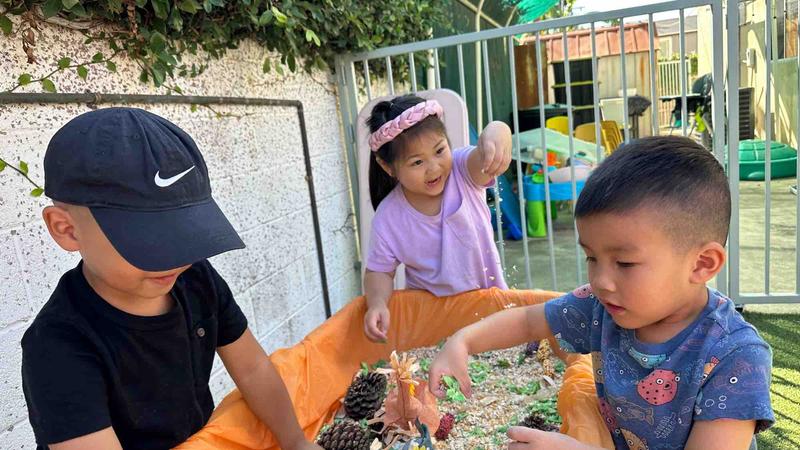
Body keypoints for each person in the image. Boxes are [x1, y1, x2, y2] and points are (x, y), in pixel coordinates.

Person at [429, 136, 774, 450]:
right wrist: (463, 341)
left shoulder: (735, 357)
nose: (601, 280)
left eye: (624, 263)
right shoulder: (601, 307)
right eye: (592, 257)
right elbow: (527, 321)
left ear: (702, 264)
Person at [21, 108, 322, 450]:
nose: (176, 259)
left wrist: (296, 442)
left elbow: (253, 369)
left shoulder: (197, 280)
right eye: (148, 240)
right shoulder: (58, 346)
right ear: (67, 229)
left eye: (183, 234)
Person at [363, 94, 512, 342]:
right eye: (417, 162)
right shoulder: (388, 218)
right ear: (388, 167)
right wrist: (377, 304)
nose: (434, 168)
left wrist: (497, 132)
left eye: (440, 150)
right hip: (433, 326)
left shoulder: (463, 171)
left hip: (490, 312)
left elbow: (491, 144)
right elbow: (379, 272)